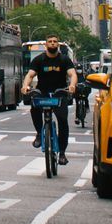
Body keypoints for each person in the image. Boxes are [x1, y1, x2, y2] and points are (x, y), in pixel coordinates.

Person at [22, 34, 76, 162]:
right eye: (50, 41)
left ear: (58, 44)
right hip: (43, 93)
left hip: (60, 93)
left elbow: (72, 74)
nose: (52, 43)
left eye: (55, 41)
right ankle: (40, 135)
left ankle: (62, 153)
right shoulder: (39, 60)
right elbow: (30, 75)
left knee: (63, 121)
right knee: (34, 107)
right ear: (46, 45)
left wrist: (72, 85)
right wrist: (25, 86)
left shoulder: (64, 60)